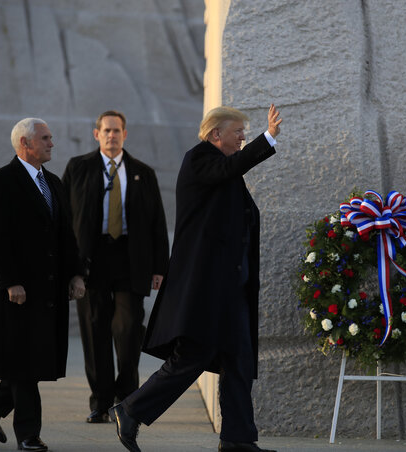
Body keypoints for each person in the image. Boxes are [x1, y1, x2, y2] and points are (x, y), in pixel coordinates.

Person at [109, 104, 283, 452]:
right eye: (238, 132)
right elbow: (232, 166)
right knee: (193, 356)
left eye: (245, 134)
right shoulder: (200, 159)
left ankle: (237, 438)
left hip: (229, 289)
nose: (242, 138)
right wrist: (268, 139)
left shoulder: (222, 168)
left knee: (239, 361)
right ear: (215, 134)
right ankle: (130, 409)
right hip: (205, 289)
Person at [0, 118, 85, 452]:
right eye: (45, 138)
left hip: (48, 291)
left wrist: (76, 274)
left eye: (51, 137)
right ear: (25, 143)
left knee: (33, 360)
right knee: (25, 364)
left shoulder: (54, 183)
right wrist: (10, 282)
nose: (52, 143)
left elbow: (67, 235)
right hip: (18, 292)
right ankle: (28, 435)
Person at [62, 110, 169, 423]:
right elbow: (65, 220)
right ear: (96, 134)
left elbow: (157, 224)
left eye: (117, 130)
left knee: (128, 331)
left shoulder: (142, 172)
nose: (112, 135)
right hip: (91, 262)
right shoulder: (78, 168)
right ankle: (100, 402)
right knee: (94, 332)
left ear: (125, 134)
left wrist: (159, 267)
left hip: (130, 261)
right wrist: (72, 268)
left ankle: (127, 401)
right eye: (106, 130)